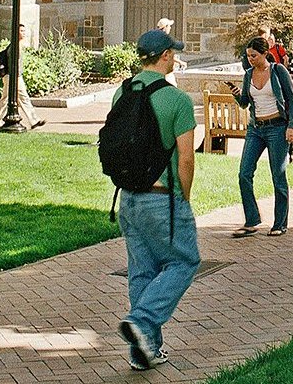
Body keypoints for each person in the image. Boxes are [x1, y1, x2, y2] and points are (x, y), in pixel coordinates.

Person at [115, 29, 199, 372]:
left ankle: (144, 351)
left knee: (142, 271)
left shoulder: (123, 92)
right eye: (173, 53)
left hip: (128, 198)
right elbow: (186, 158)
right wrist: (185, 197)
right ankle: (143, 321)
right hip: (163, 197)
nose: (175, 57)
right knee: (184, 262)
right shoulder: (177, 100)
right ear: (164, 55)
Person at [227, 37, 293, 237]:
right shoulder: (248, 74)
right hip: (256, 129)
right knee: (244, 173)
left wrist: (291, 126)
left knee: (278, 175)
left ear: (265, 53)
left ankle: (280, 223)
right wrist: (236, 93)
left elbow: (292, 99)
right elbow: (244, 103)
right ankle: (251, 220)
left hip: (277, 128)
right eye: (248, 55)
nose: (250, 59)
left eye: (254, 55)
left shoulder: (278, 71)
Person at [0, 24, 46, 131]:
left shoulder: (18, 45)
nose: (24, 33)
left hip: (15, 76)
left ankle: (33, 120)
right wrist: (14, 78)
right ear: (16, 32)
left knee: (21, 98)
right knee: (7, 99)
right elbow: (13, 64)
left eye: (24, 31)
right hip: (12, 77)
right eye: (21, 31)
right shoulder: (14, 46)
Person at [156, 18, 187, 84]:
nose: (170, 28)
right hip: (165, 70)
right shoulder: (165, 39)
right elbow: (167, 55)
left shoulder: (157, 38)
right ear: (165, 27)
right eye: (169, 26)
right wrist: (180, 62)